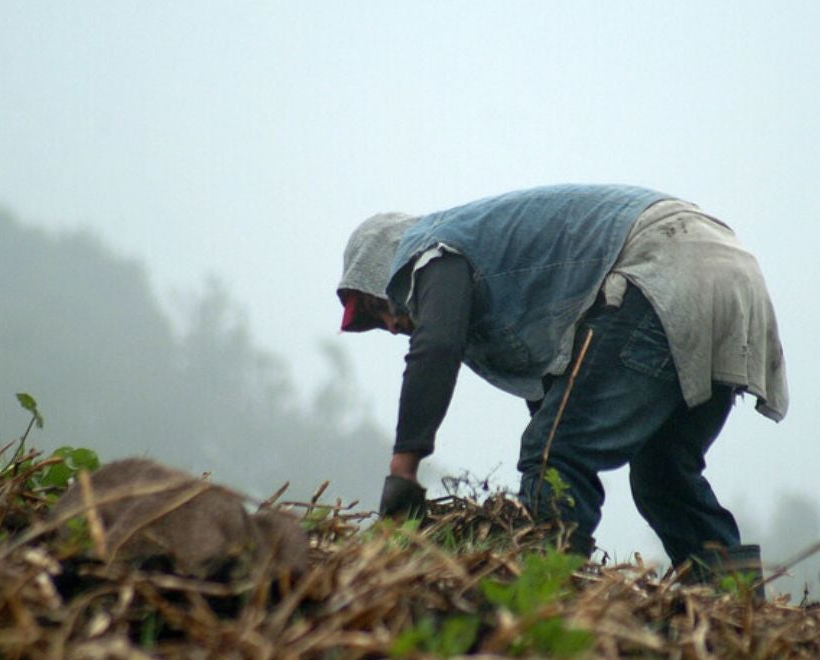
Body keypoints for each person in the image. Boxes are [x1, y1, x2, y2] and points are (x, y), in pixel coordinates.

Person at [336, 184, 788, 580]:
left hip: (661, 265)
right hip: (733, 274)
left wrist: (404, 470)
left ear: (384, 268)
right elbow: (566, 390)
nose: (392, 327)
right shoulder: (496, 255)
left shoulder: (430, 250)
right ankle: (739, 607)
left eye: (378, 310)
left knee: (553, 453)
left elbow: (436, 348)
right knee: (663, 475)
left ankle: (548, 593)